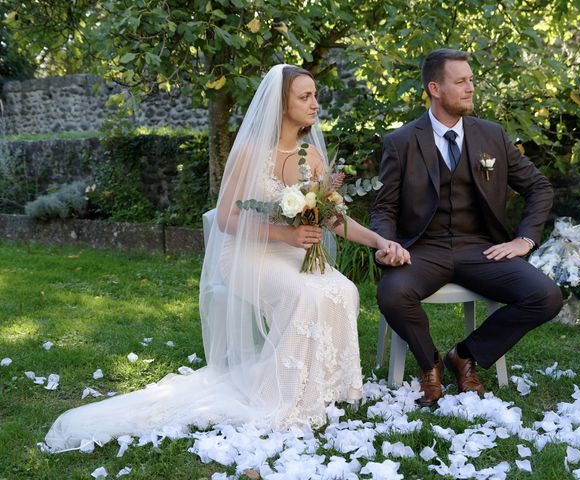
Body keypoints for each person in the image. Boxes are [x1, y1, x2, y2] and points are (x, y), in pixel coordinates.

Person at [44, 64, 409, 451]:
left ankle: (325, 386)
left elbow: (334, 217)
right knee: (302, 295)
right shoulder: (251, 151)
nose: (315, 103)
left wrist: (378, 242)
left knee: (342, 289)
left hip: (290, 252)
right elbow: (226, 217)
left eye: (315, 95)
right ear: (280, 104)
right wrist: (287, 232)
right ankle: (284, 394)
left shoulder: (313, 156)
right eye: (305, 96)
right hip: (247, 254)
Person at [371, 49, 563, 407]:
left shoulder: (492, 135)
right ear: (435, 88)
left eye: (471, 80)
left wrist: (524, 239)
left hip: (480, 248)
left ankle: (464, 354)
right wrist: (386, 243)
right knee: (392, 294)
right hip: (422, 250)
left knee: (547, 295)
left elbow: (539, 187)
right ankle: (429, 365)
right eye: (461, 82)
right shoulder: (401, 142)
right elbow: (385, 207)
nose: (471, 88)